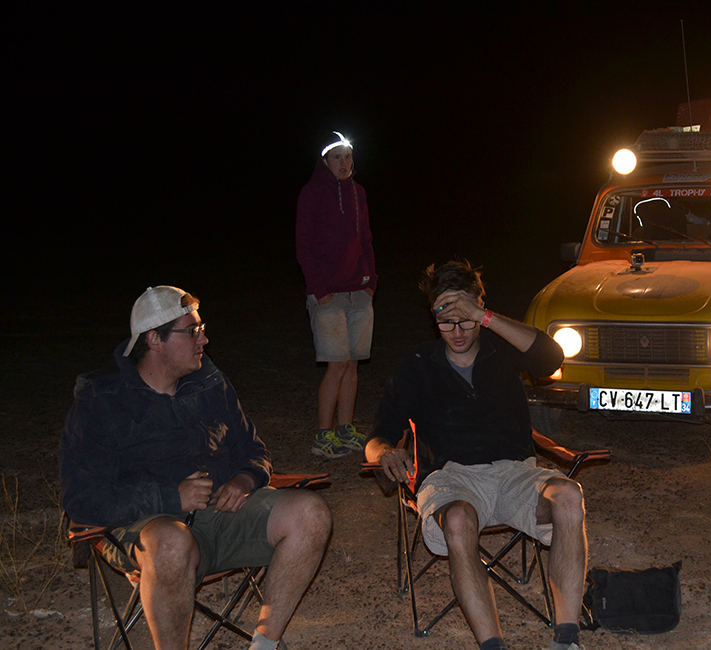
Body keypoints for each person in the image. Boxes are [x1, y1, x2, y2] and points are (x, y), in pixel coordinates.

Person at [60, 286, 331, 650]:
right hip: (148, 527)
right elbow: (81, 498)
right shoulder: (102, 400)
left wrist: (244, 479)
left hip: (221, 515)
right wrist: (171, 497)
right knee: (171, 544)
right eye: (192, 331)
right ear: (154, 339)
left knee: (310, 512)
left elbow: (253, 449)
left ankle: (265, 645)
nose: (204, 338)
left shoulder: (209, 383)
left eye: (201, 328)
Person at [365, 261, 588, 650]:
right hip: (452, 479)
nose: (457, 332)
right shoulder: (417, 366)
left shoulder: (503, 349)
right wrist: (385, 453)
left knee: (568, 496)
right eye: (446, 321)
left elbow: (552, 358)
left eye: (465, 320)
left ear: (480, 309)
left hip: (516, 472)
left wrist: (483, 317)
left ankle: (566, 640)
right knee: (457, 519)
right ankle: (492, 645)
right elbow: (379, 436)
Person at [296, 131, 378, 459]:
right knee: (337, 363)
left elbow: (367, 240)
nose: (343, 163)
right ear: (325, 161)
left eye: (347, 157)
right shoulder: (311, 193)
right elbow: (303, 246)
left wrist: (371, 281)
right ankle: (323, 435)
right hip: (327, 294)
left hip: (358, 292)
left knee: (353, 363)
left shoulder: (358, 192)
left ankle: (345, 429)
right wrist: (320, 290)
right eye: (336, 157)